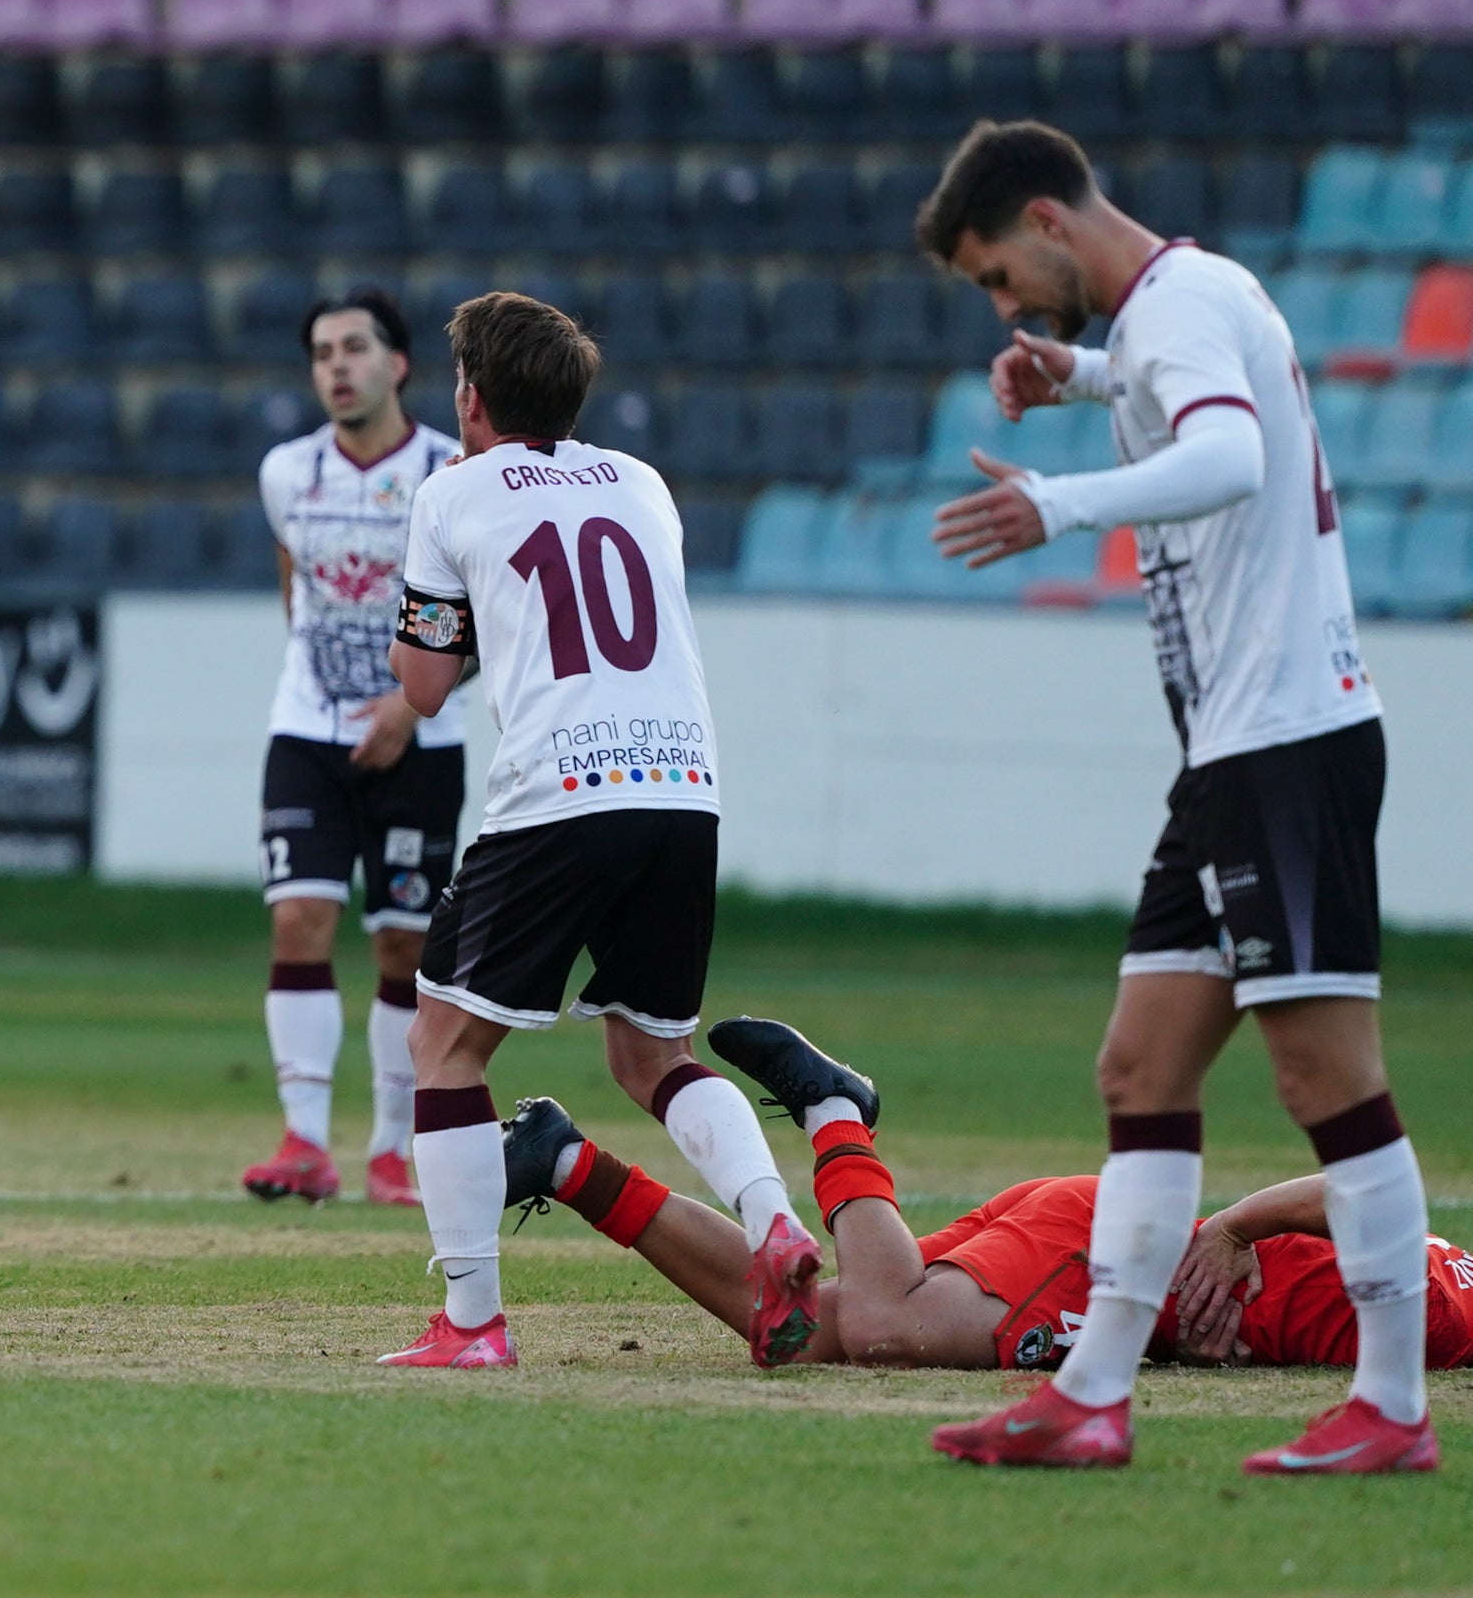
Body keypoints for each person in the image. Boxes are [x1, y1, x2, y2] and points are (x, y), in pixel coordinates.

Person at [913, 120, 1427, 1474]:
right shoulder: (1160, 317)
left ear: (1044, 219)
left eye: (996, 278)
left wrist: (1061, 505)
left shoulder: (1185, 302)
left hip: (1287, 742)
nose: (1002, 304)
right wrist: (1074, 373)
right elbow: (1169, 392)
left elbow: (1230, 457)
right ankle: (1091, 1394)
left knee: (1326, 1073)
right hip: (1230, 758)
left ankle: (1393, 1405)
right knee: (1140, 1067)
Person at [373, 291, 821, 1372]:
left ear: (471, 397)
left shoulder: (451, 492)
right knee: (651, 1049)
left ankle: (473, 1322)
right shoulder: (643, 482)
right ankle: (770, 1216)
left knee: (441, 1041)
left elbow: (425, 684)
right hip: (683, 783)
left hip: (562, 788)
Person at [508, 1019, 1469, 1402]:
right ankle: (835, 1110)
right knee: (889, 1325)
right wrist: (1230, 1231)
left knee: (811, 1332)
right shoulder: (1455, 1313)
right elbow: (1369, 1189)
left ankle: (564, 1162)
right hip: (1109, 1257)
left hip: (1111, 1261)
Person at [243, 289, 465, 1211]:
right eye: (322, 352)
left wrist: (408, 707)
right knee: (298, 920)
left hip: (422, 739)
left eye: (354, 348)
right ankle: (302, 1142)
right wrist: (332, 681)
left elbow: (486, 619)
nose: (336, 366)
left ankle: (386, 1149)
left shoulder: (452, 474)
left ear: (398, 365)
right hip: (306, 731)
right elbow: (294, 585)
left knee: (404, 945)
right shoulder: (287, 472)